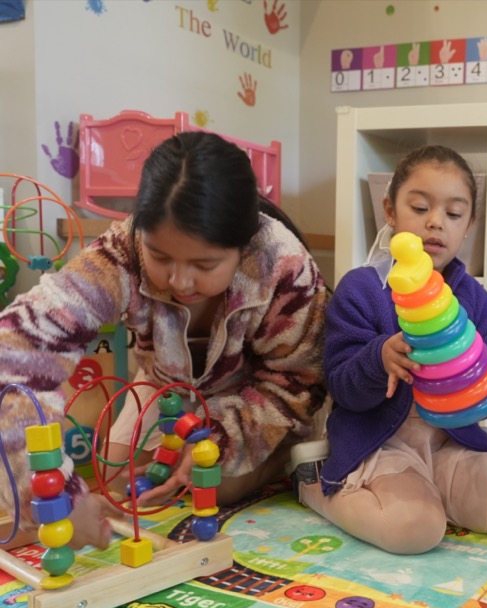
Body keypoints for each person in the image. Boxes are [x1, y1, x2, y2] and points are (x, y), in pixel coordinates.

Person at [0, 132, 329, 550]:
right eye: (160, 257)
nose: (180, 281)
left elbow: (297, 382)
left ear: (244, 246)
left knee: (215, 483)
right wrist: (54, 496)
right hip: (164, 387)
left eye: (204, 264)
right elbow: (13, 351)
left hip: (254, 398)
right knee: (116, 473)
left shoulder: (283, 265)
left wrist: (221, 438)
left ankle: (281, 456)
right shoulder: (120, 253)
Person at [297, 145, 487, 554]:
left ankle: (432, 490)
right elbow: (340, 382)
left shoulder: (474, 299)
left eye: (454, 214)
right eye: (420, 207)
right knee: (416, 529)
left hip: (449, 443)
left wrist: (474, 368)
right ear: (390, 212)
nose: (435, 223)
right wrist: (379, 358)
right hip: (380, 443)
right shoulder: (363, 289)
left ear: (469, 225)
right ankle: (318, 489)